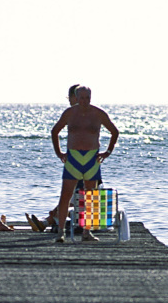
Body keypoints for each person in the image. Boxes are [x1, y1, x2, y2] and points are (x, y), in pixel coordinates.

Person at [50, 85, 119, 243]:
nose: (84, 101)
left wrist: (107, 152)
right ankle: (61, 232)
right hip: (73, 157)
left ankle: (87, 232)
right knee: (66, 195)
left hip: (91, 158)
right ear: (76, 98)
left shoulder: (98, 113)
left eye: (87, 98)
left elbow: (114, 132)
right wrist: (59, 153)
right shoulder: (69, 113)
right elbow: (55, 131)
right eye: (81, 98)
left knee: (90, 196)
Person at [25, 83, 89, 233]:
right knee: (71, 195)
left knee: (74, 195)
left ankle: (49, 221)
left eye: (70, 98)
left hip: (84, 162)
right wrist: (60, 153)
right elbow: (56, 132)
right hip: (78, 160)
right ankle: (49, 221)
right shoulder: (74, 113)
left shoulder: (82, 112)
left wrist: (60, 153)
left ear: (75, 97)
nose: (70, 101)